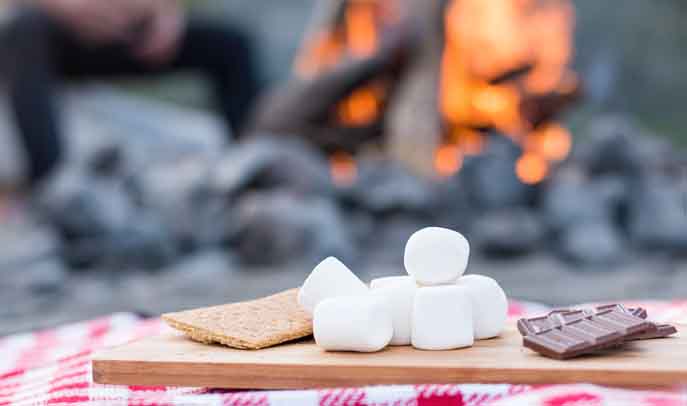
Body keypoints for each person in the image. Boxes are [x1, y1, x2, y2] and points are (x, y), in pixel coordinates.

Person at [1, 0, 258, 188]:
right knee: (23, 29)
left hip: (121, 32)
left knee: (232, 45)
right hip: (47, 38)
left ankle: (254, 172)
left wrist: (165, 14)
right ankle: (53, 187)